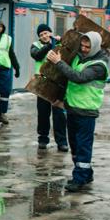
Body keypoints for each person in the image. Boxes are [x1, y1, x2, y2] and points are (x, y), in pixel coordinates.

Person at [46, 32, 109, 192]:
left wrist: (59, 62)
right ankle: (86, 173)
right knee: (74, 144)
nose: (84, 49)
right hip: (72, 108)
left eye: (88, 47)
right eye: (82, 45)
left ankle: (79, 178)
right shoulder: (78, 57)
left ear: (96, 46)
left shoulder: (99, 65)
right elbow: (66, 77)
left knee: (83, 146)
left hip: (87, 111)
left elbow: (78, 77)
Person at [30, 23, 68, 152]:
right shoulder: (36, 46)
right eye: (41, 35)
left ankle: (62, 142)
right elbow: (37, 55)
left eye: (46, 33)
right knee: (43, 113)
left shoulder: (58, 44)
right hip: (43, 84)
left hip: (58, 84)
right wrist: (48, 45)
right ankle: (42, 139)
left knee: (59, 115)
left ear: (50, 33)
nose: (44, 36)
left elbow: (70, 48)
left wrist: (60, 41)